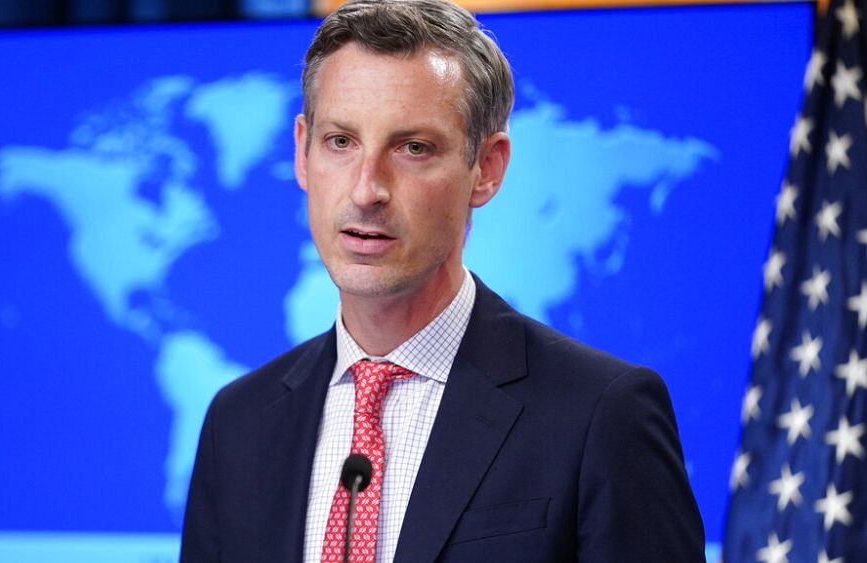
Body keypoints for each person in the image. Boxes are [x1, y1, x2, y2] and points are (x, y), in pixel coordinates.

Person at [179, 0, 705, 561]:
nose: (366, 190)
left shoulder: (600, 414)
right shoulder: (238, 422)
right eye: (341, 142)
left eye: (413, 148)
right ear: (303, 152)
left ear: (487, 169)